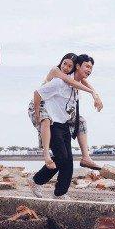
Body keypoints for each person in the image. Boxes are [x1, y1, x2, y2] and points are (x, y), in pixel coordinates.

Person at [31, 54, 95, 197]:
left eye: (91, 68)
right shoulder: (59, 82)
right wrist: (37, 116)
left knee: (68, 162)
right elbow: (37, 93)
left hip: (64, 122)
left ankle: (60, 193)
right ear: (78, 67)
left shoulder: (77, 86)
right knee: (61, 157)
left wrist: (94, 94)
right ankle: (36, 180)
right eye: (87, 66)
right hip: (52, 122)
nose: (89, 70)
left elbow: (82, 83)